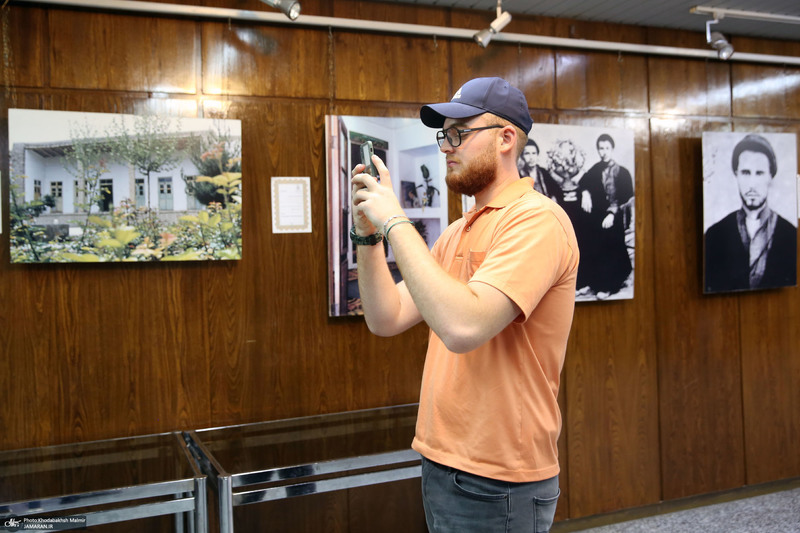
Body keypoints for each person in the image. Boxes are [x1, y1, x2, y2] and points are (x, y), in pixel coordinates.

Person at [350, 77, 579, 533]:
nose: (446, 147)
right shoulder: (458, 230)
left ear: (506, 139)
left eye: (459, 133)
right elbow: (385, 317)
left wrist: (395, 218)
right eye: (444, 135)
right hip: (443, 461)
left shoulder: (538, 221)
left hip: (498, 478)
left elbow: (463, 327)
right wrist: (369, 234)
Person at [704, 133, 797, 293]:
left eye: (759, 173)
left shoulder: (791, 235)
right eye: (746, 173)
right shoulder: (714, 235)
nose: (752, 185)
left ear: (771, 177)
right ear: (736, 175)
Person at [577, 133, 634, 298]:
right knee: (590, 242)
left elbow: (625, 195)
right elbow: (583, 183)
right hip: (597, 218)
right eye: (601, 148)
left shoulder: (622, 172)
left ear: (612, 149)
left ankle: (610, 285)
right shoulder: (595, 169)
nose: (604, 152)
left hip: (615, 218)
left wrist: (611, 213)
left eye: (607, 148)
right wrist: (585, 193)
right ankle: (592, 282)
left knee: (610, 246)